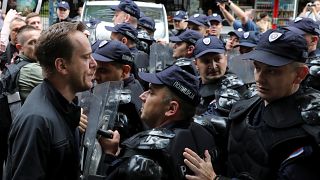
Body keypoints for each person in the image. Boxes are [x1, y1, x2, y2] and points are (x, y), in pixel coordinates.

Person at [183, 29, 320, 180]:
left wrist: (214, 179)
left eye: (272, 71)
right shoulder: (248, 105)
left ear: (300, 74)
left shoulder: (307, 131)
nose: (260, 78)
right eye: (257, 67)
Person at [5, 21, 97, 180]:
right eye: (86, 57)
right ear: (61, 65)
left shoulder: (66, 106)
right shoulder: (36, 121)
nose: (94, 64)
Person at [97, 65, 217, 179]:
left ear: (171, 109)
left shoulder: (145, 156)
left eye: (151, 92)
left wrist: (109, 154)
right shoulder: (205, 133)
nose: (142, 96)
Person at [92, 40, 144, 141]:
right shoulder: (128, 87)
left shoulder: (127, 103)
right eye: (94, 69)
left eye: (102, 70)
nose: (94, 76)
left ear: (125, 71)